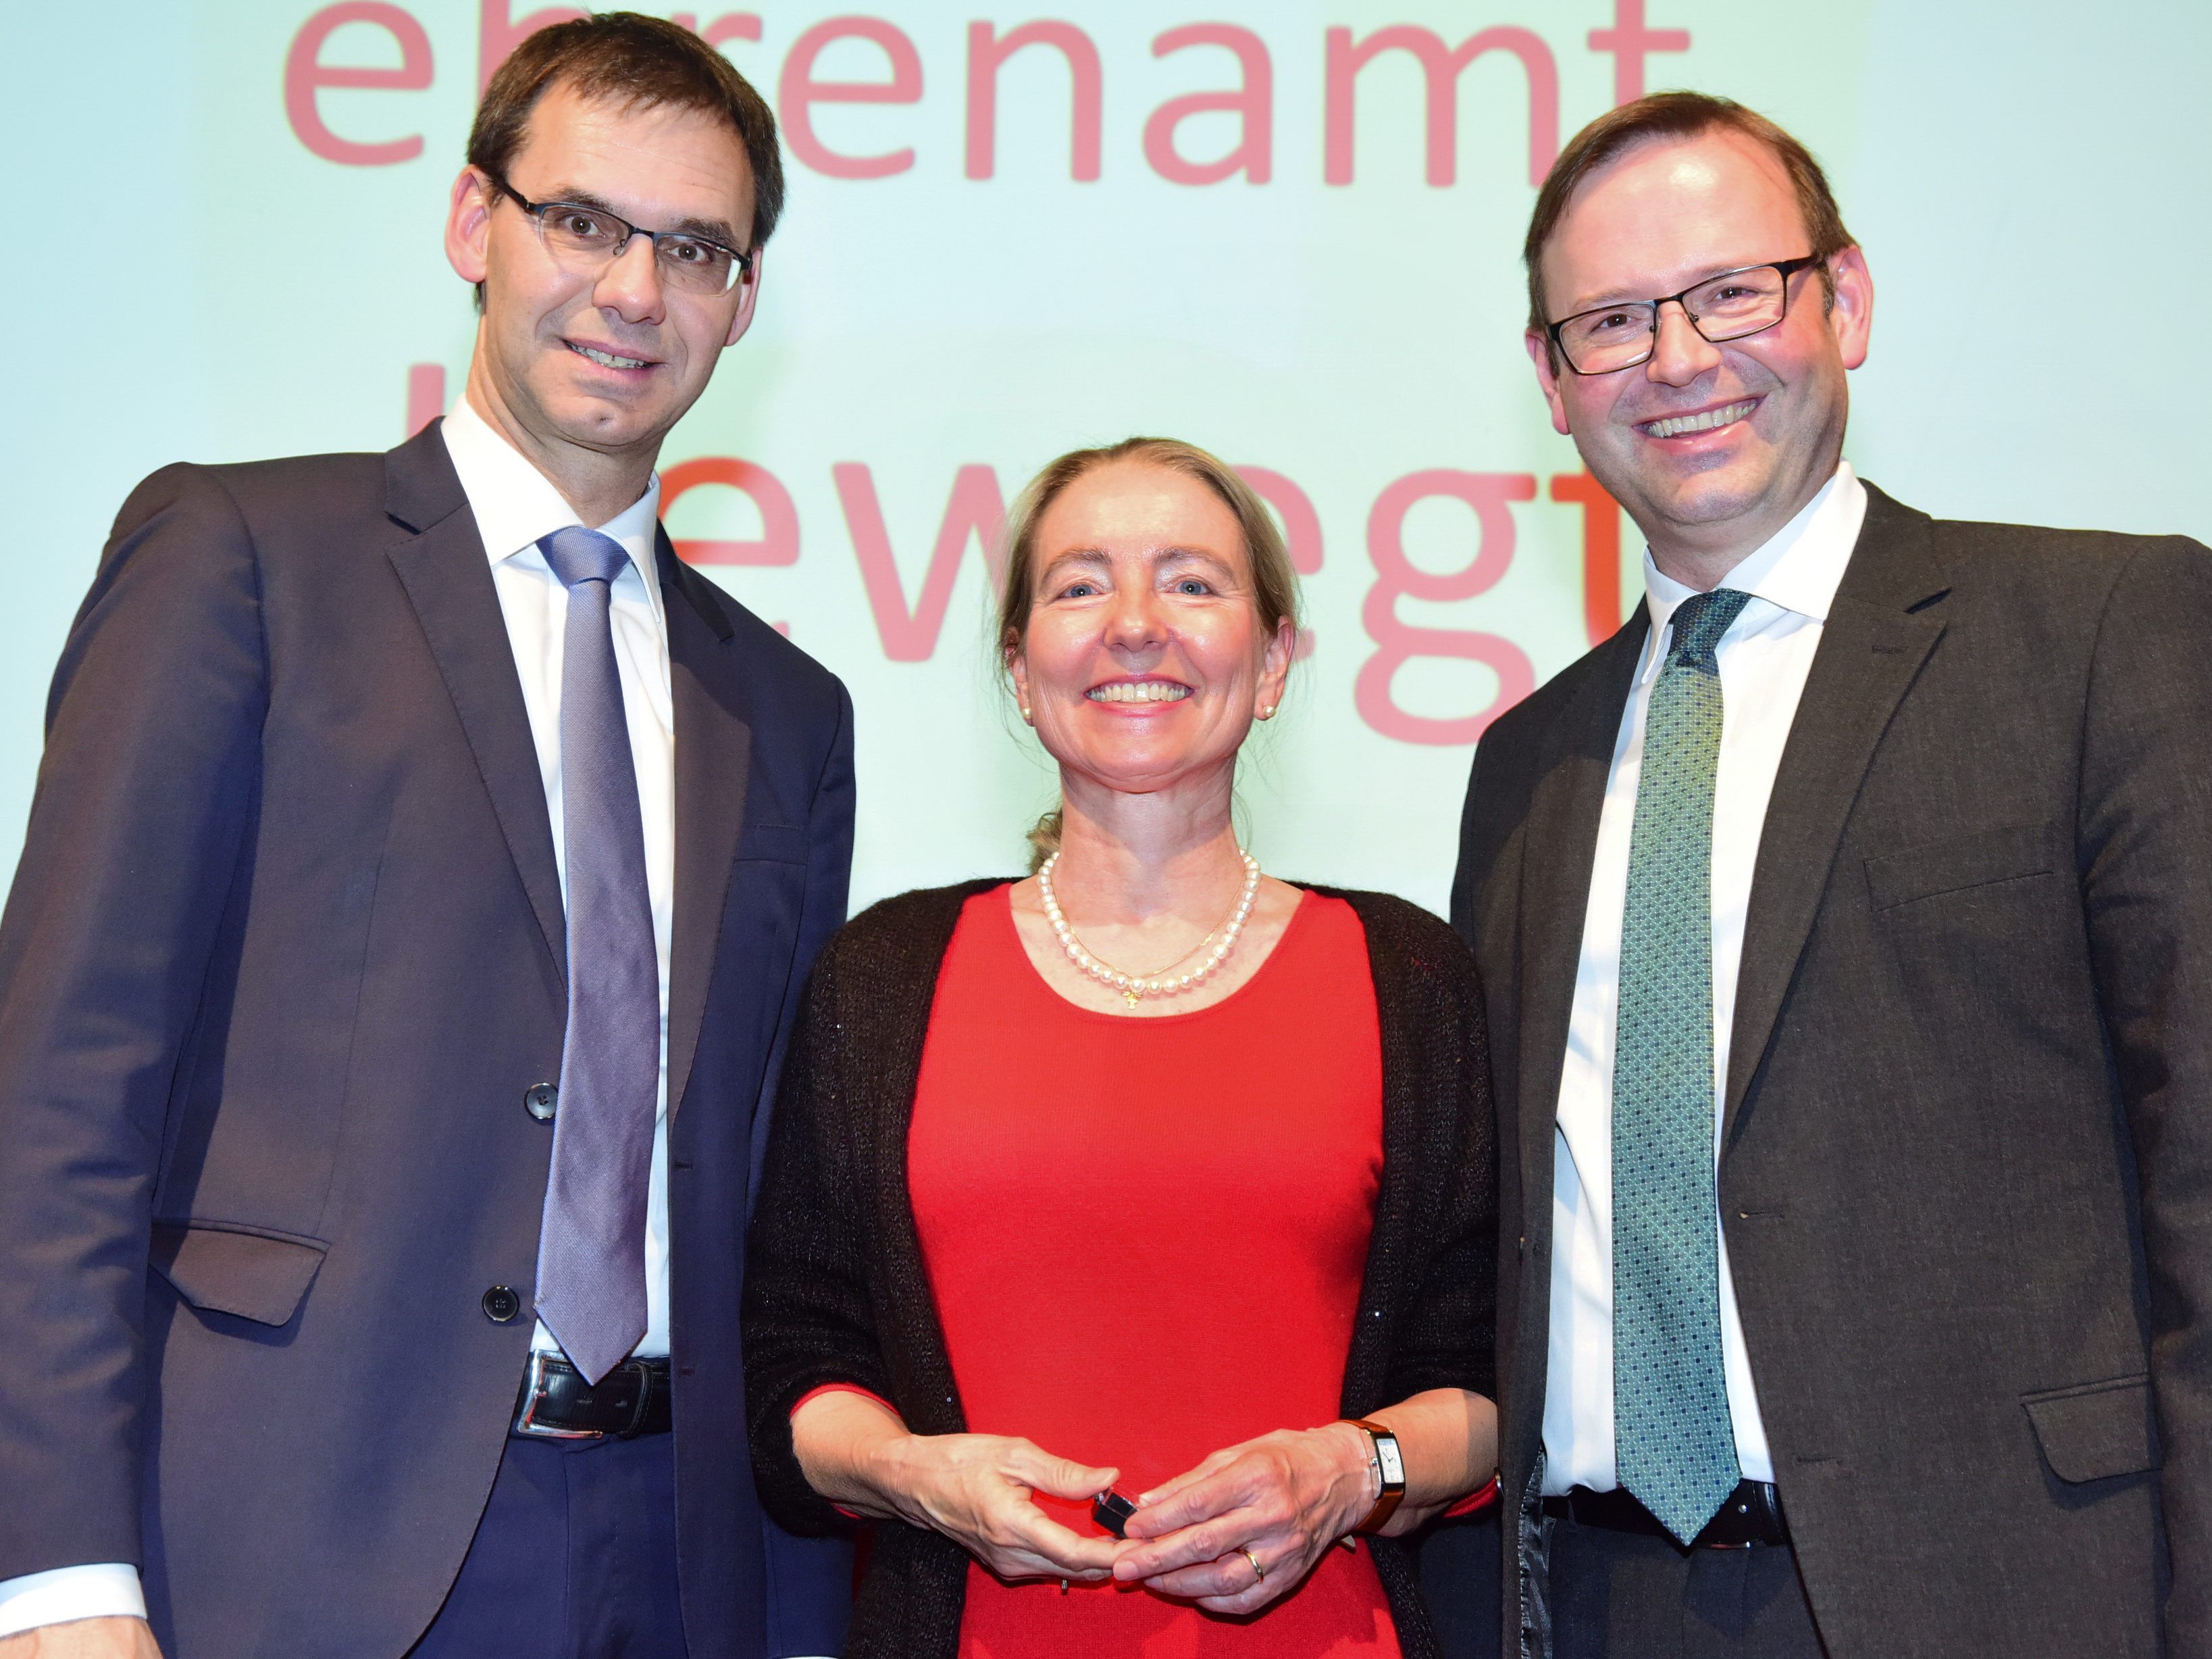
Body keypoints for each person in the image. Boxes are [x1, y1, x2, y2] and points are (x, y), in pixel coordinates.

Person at [0, 16, 854, 1659]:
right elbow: (58, 1098)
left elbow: (767, 1206)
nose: (631, 290)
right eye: (583, 221)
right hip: (285, 1533)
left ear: (741, 303)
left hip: (679, 1566)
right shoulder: (243, 558)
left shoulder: (788, 713)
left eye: (694, 248)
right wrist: (56, 1576)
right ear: (475, 223)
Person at [1450, 90, 2211, 1658]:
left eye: (1733, 291)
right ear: (1550, 378)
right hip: (1600, 1602)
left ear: (1844, 300)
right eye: (1608, 321)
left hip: (2014, 1590)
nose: (1676, 361)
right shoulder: (1526, 764)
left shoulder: (2100, 631)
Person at [742, 437, 1499, 1658]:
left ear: (1274, 664)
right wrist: (910, 1473)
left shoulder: (1409, 977)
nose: (1136, 625)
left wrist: (1354, 1470)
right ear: (1019, 667)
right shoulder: (881, 979)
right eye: (1080, 584)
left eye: (1194, 583)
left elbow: (1493, 1375)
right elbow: (794, 1357)